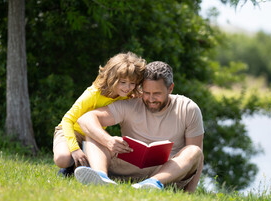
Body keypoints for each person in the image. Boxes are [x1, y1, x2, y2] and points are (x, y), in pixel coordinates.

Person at [75, 61, 204, 193]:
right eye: (146, 92)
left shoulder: (188, 108)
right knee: (95, 133)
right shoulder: (130, 104)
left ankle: (152, 183)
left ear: (170, 88)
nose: (151, 99)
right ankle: (101, 177)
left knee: (194, 150)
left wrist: (190, 192)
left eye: (157, 94)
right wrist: (108, 140)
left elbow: (197, 158)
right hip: (128, 166)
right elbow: (85, 119)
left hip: (167, 172)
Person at [53, 52, 146, 177]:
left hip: (93, 135)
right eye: (123, 82)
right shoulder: (93, 93)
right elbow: (67, 120)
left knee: (105, 158)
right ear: (112, 78)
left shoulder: (128, 95)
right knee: (62, 158)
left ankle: (82, 164)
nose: (127, 87)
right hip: (71, 131)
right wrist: (75, 149)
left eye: (132, 83)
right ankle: (70, 166)